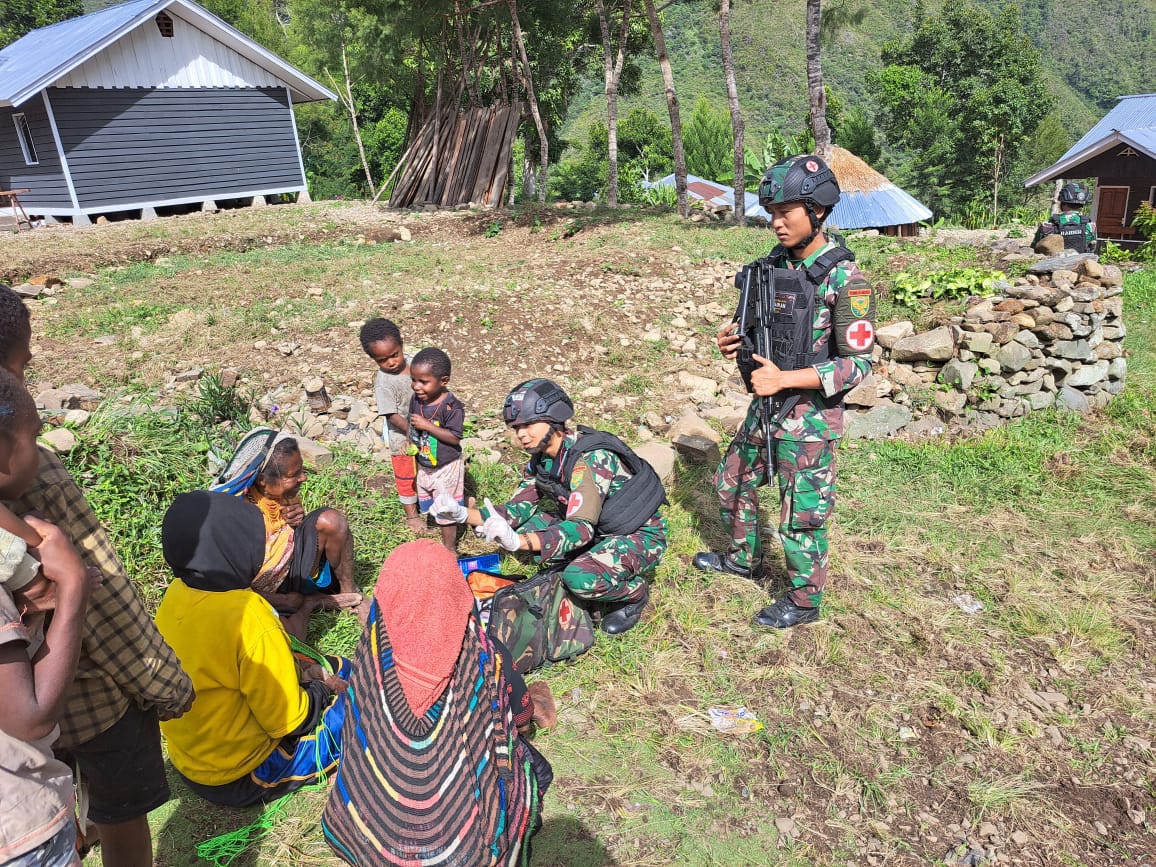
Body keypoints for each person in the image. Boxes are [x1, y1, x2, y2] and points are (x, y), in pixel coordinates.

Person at [1, 283, 195, 867]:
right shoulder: (34, 478)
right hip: (91, 694)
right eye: (24, 359)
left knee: (68, 798)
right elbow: (107, 606)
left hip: (24, 736)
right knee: (120, 809)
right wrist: (165, 684)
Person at [693, 154, 875, 629]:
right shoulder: (767, 269)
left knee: (802, 515)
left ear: (818, 211)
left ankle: (803, 600)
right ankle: (743, 558)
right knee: (732, 480)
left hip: (809, 418)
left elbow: (858, 365)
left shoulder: (845, 280)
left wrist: (787, 380)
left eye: (786, 213)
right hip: (766, 408)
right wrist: (733, 340)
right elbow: (756, 330)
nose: (775, 223)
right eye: (771, 213)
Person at [322, 540, 554, 866]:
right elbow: (520, 719)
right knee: (538, 771)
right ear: (457, 597)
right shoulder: (485, 655)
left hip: (369, 841)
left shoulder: (373, 651)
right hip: (463, 854)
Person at [155, 490, 350, 807]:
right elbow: (292, 721)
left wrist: (306, 673)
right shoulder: (249, 614)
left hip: (193, 757)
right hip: (243, 772)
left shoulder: (178, 591)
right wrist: (319, 688)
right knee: (357, 703)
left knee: (337, 665)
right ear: (232, 551)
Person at [437, 379, 667, 636]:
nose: (521, 434)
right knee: (530, 528)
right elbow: (520, 507)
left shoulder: (588, 460)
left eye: (528, 425)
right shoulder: (542, 458)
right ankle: (589, 560)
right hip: (599, 525)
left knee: (578, 578)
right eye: (516, 427)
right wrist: (462, 514)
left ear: (554, 419)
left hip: (637, 535)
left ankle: (634, 594)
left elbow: (580, 529)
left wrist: (519, 541)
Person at [0, 369, 92, 867]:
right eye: (34, 436)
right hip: (18, 828)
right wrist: (73, 587)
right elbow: (29, 717)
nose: (39, 451)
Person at [241, 434, 367, 628]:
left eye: (302, 470)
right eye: (293, 475)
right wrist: (283, 601)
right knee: (285, 638)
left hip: (290, 575)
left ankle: (349, 592)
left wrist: (297, 524)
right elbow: (228, 583)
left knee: (331, 520)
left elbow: (288, 541)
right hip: (254, 592)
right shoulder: (237, 512)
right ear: (263, 480)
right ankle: (310, 602)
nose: (303, 478)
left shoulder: (284, 496)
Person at [359, 318, 422, 534]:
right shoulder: (384, 382)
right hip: (401, 434)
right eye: (383, 360)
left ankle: (431, 502)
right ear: (374, 360)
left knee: (428, 467)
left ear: (402, 345)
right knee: (406, 474)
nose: (391, 362)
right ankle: (412, 515)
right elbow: (392, 415)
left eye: (395, 355)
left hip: (427, 426)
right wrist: (412, 433)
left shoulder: (417, 364)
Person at [407, 347, 465, 551]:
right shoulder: (417, 399)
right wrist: (411, 440)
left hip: (447, 466)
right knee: (430, 496)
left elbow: (455, 437)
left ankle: (449, 549)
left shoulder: (451, 407)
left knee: (446, 507)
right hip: (426, 461)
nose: (416, 386)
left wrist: (428, 426)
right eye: (413, 379)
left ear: (444, 381)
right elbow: (412, 422)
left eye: (423, 382)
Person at [1032, 182, 1097, 253]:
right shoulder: (1090, 226)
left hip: (1055, 263)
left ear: (1063, 202)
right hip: (1080, 262)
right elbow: (1092, 249)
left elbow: (1034, 249)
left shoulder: (1047, 226)